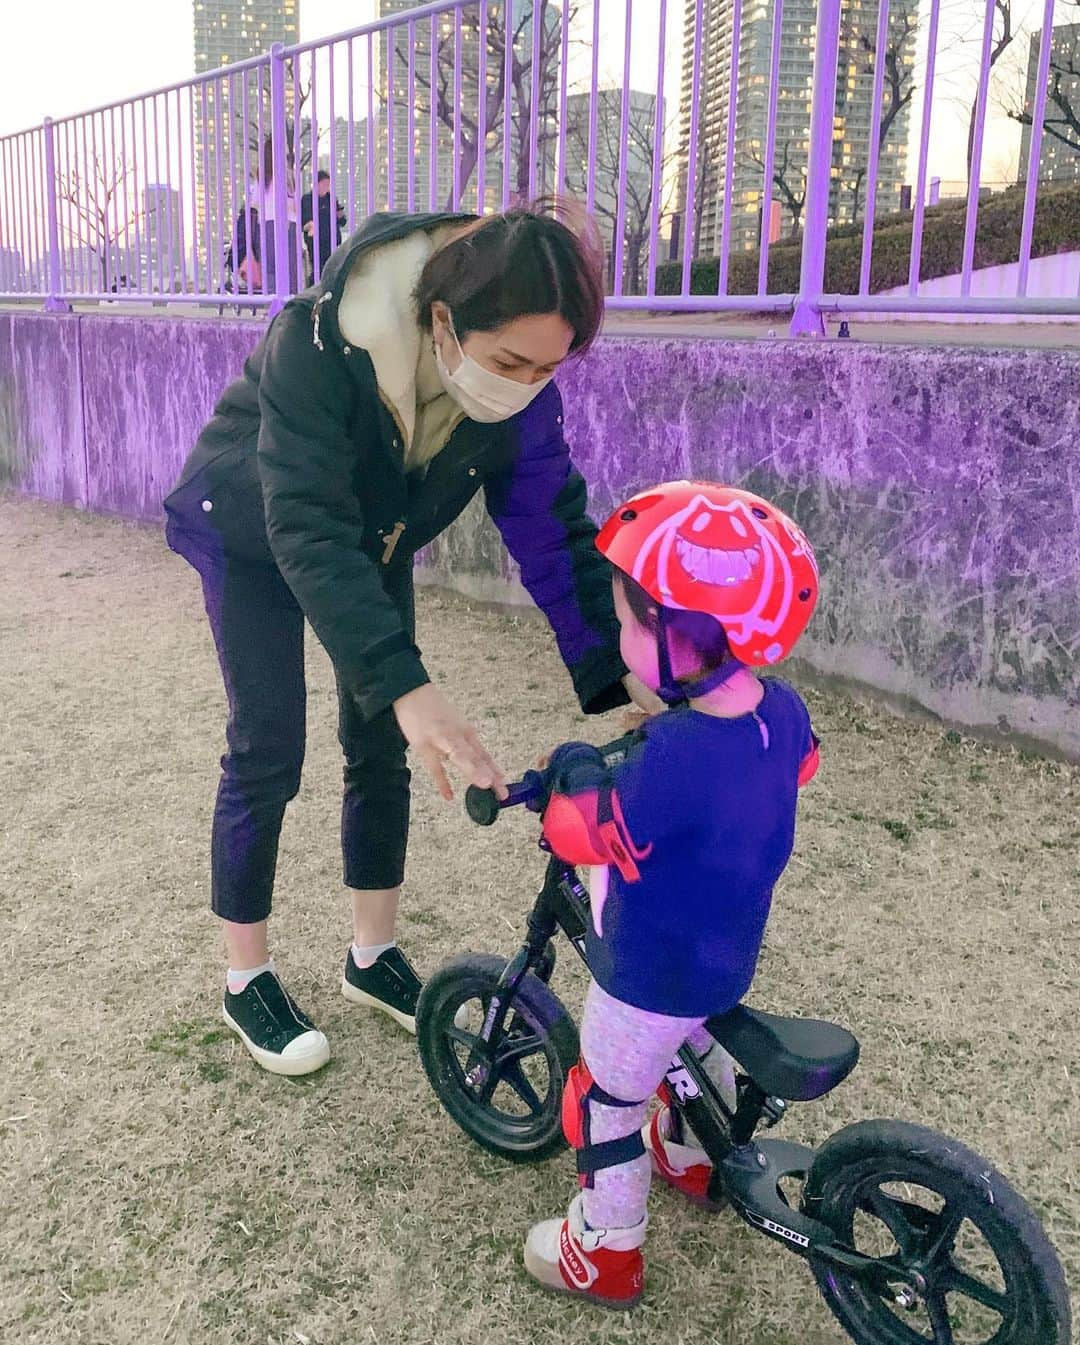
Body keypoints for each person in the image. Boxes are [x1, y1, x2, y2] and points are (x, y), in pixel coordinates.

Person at [163, 202, 660, 1078]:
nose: (525, 385)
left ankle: (371, 954)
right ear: (442, 320)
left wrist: (622, 676)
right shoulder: (317, 342)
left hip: (369, 533)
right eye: (510, 361)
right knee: (268, 744)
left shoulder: (520, 397)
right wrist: (410, 685)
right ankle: (247, 975)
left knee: (382, 746)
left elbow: (554, 528)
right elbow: (306, 527)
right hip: (253, 529)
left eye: (549, 369)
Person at [519, 481, 821, 1308]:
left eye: (626, 622)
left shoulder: (675, 756)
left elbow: (585, 831)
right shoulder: (781, 714)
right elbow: (803, 766)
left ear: (681, 638)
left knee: (605, 1100)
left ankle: (605, 1247)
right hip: (729, 955)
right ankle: (693, 1158)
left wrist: (572, 776)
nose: (619, 639)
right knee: (699, 1050)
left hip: (649, 974)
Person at [248, 134, 299, 294]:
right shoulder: (288, 175)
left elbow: (254, 203)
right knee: (289, 268)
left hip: (267, 223)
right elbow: (294, 203)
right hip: (288, 223)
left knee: (270, 268)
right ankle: (290, 304)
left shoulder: (262, 176)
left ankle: (272, 303)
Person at [301, 170, 347, 282]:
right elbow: (305, 221)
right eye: (324, 184)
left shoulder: (331, 199)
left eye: (328, 185)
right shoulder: (307, 199)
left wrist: (340, 215)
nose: (326, 187)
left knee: (334, 270)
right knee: (318, 271)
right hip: (317, 243)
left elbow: (343, 221)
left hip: (333, 242)